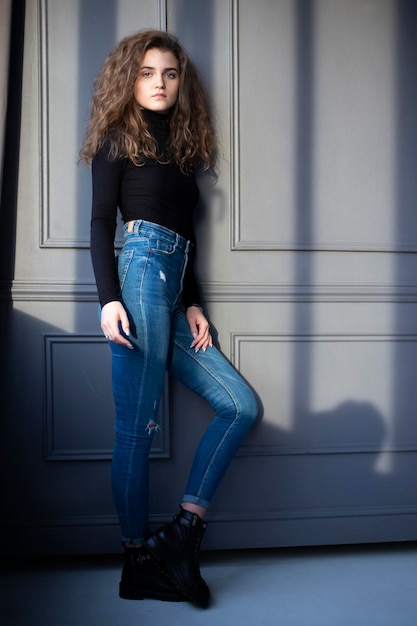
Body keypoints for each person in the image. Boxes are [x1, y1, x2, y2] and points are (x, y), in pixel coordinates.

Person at [80, 29, 258, 609]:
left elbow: (186, 239)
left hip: (174, 287)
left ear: (182, 82)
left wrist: (195, 302)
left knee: (240, 406)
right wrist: (108, 299)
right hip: (135, 279)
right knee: (135, 428)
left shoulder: (184, 153)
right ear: (129, 79)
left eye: (170, 74)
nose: (159, 83)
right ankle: (137, 560)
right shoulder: (116, 140)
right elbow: (100, 224)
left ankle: (182, 533)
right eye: (148, 72)